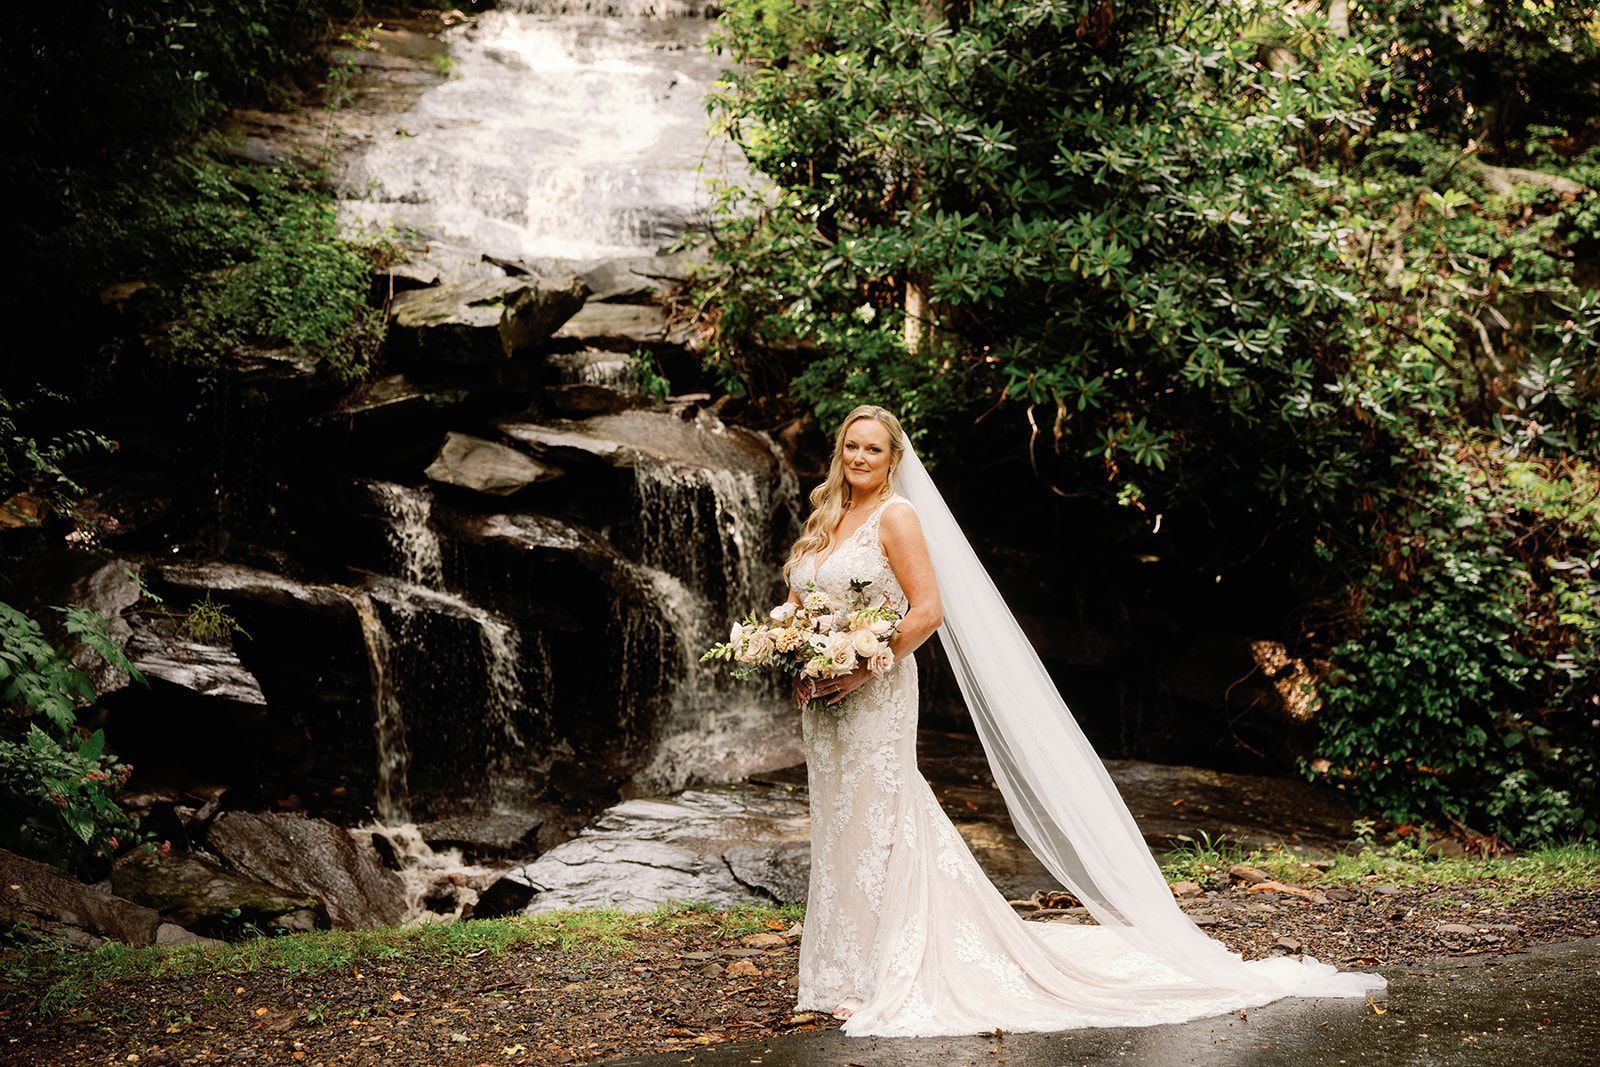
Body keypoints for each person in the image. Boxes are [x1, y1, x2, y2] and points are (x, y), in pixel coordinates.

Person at [779, 404, 1385, 1037]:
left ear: (893, 458)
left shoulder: (896, 518)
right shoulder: (827, 514)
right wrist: (792, 649)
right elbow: (801, 600)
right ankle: (833, 972)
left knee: (881, 820)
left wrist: (859, 667)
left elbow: (927, 610)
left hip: (873, 692)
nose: (858, 458)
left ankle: (879, 971)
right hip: (823, 702)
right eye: (851, 446)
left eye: (873, 450)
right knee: (839, 824)